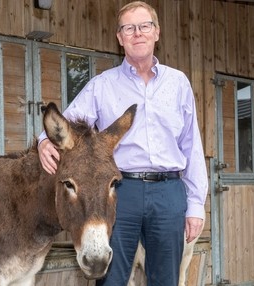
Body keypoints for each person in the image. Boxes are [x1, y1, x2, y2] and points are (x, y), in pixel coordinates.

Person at [37, 1, 208, 285]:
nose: (137, 33)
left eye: (144, 26)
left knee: (166, 280)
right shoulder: (102, 85)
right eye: (129, 28)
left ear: (156, 33)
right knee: (112, 279)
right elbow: (65, 122)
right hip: (120, 192)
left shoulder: (179, 84)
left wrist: (195, 205)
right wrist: (44, 141)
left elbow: (192, 145)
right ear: (120, 38)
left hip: (169, 193)